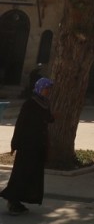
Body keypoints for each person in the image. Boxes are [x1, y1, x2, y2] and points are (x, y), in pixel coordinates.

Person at [1, 77, 54, 216]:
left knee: (32, 174)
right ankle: (12, 200)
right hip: (27, 145)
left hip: (38, 145)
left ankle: (19, 201)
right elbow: (20, 124)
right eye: (46, 88)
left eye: (49, 89)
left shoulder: (44, 103)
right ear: (39, 88)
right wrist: (14, 143)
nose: (48, 91)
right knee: (21, 173)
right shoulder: (30, 104)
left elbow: (48, 118)